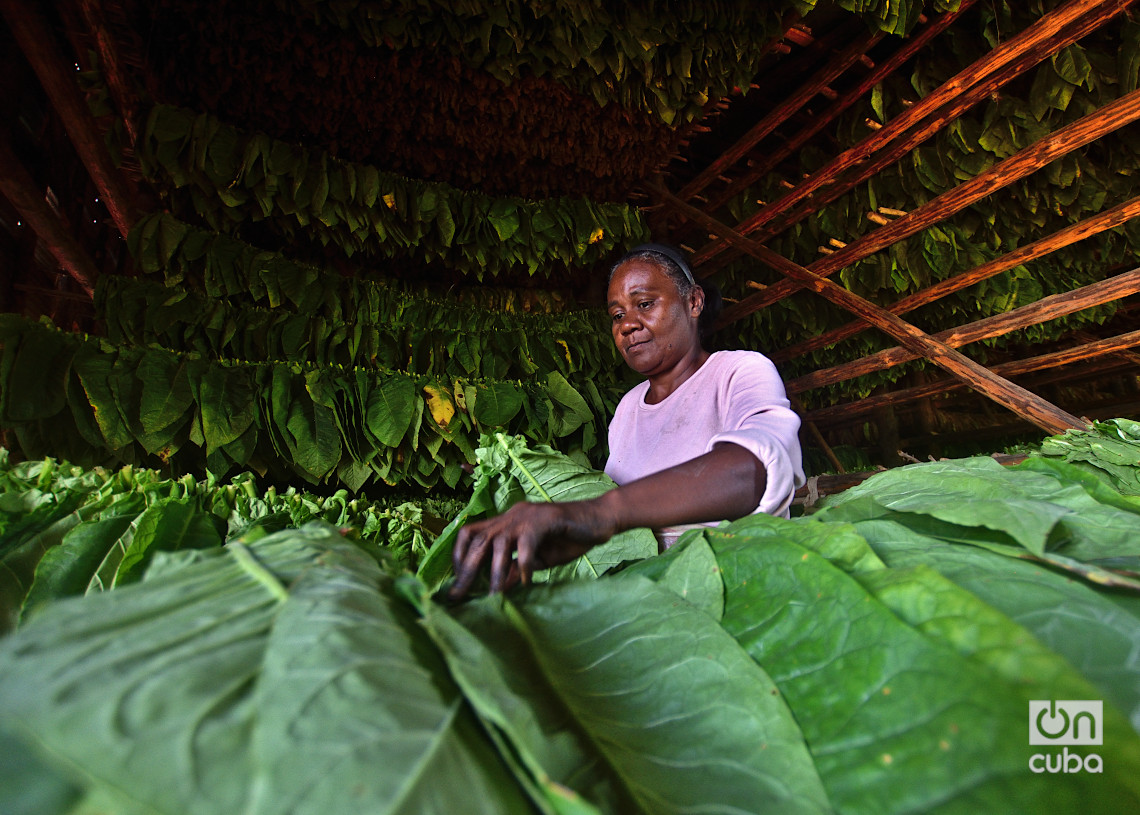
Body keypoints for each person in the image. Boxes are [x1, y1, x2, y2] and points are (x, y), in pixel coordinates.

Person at [449, 243, 804, 597]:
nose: (628, 325)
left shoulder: (738, 372)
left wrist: (597, 513)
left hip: (738, 585)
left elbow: (755, 468)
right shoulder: (627, 409)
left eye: (645, 304)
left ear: (694, 302)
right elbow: (620, 509)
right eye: (617, 315)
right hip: (647, 596)